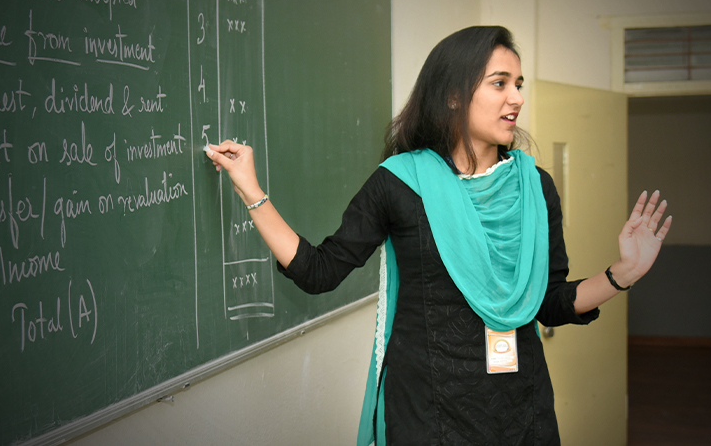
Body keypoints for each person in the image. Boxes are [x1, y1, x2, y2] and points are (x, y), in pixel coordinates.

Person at [204, 26, 671, 446]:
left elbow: (548, 303)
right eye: (500, 83)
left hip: (520, 410)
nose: (516, 98)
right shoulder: (400, 183)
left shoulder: (535, 186)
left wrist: (623, 273)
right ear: (452, 95)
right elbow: (318, 271)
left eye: (519, 84)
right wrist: (251, 190)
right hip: (428, 412)